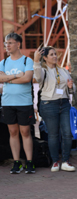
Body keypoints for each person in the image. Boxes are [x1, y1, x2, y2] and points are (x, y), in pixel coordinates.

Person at [33, 46, 75, 172]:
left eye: (55, 54)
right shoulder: (43, 71)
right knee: (53, 134)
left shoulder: (63, 71)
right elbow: (38, 77)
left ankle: (66, 161)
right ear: (45, 58)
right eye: (51, 54)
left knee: (67, 133)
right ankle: (55, 161)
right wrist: (36, 60)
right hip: (49, 104)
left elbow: (72, 90)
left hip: (64, 103)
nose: (55, 56)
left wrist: (71, 87)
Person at [0, 33, 35, 174]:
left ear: (18, 44)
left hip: (24, 102)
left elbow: (27, 78)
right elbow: (0, 78)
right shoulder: (3, 62)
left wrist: (7, 79)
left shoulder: (27, 61)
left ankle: (29, 162)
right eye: (6, 43)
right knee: (12, 132)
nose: (7, 45)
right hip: (8, 102)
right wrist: (15, 75)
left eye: (10, 43)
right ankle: (16, 162)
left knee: (25, 132)